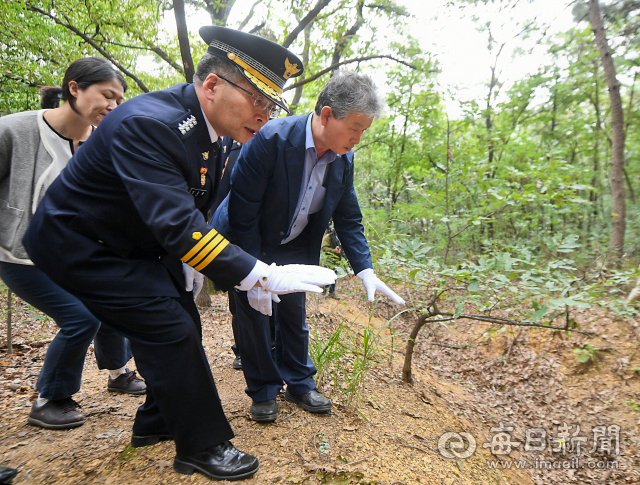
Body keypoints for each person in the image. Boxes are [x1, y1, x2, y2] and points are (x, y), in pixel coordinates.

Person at [22, 26, 335, 482]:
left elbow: (192, 206)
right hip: (80, 245)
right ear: (212, 86)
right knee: (167, 327)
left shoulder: (218, 132)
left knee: (180, 319)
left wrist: (195, 262)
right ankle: (202, 446)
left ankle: (157, 423)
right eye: (259, 100)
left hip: (133, 243)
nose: (266, 115)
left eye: (273, 105)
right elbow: (176, 222)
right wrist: (258, 275)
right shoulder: (151, 123)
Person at [211, 71, 405, 424]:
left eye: (365, 131)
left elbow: (349, 217)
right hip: (249, 237)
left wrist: (365, 268)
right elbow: (243, 213)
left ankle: (300, 383)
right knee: (255, 315)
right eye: (356, 127)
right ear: (327, 114)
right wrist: (255, 274)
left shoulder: (342, 158)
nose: (358, 138)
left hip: (295, 244)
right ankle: (264, 390)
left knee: (293, 315)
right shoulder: (271, 138)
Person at [0, 58, 145, 431]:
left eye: (119, 99)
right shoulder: (15, 130)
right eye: (107, 95)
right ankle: (51, 398)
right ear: (75, 89)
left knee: (114, 296)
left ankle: (117, 372)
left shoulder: (100, 144)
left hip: (75, 253)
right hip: (20, 256)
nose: (113, 106)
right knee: (80, 318)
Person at [321, 222, 343, 298]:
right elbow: (324, 248)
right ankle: (323, 293)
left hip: (336, 261)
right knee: (326, 277)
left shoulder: (340, 237)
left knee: (334, 277)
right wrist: (334, 251)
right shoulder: (329, 237)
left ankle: (332, 293)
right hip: (329, 260)